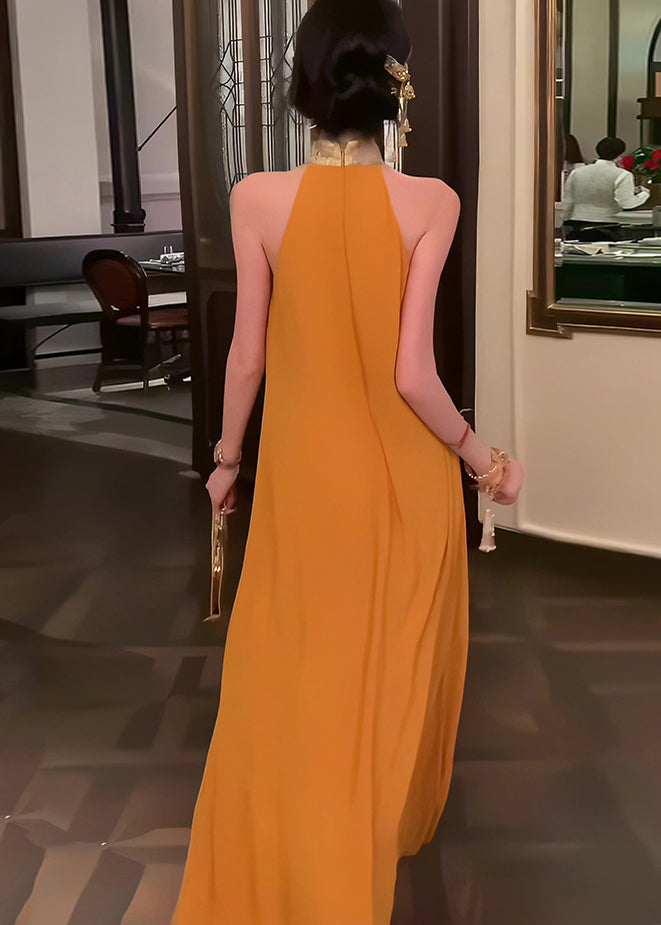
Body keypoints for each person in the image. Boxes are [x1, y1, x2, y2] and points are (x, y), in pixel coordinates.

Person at [172, 0, 524, 921]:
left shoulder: (255, 197)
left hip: (305, 483)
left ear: (304, 81)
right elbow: (413, 375)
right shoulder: (430, 202)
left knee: (296, 667)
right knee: (390, 666)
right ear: (396, 85)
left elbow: (245, 356)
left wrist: (226, 460)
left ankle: (296, 855)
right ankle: (369, 828)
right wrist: (484, 460)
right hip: (403, 483)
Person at [563, 136, 650, 229]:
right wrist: (644, 193)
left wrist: (564, 221)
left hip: (576, 222)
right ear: (619, 155)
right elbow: (627, 203)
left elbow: (568, 201)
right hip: (605, 223)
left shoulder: (576, 172)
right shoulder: (622, 174)